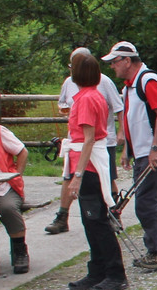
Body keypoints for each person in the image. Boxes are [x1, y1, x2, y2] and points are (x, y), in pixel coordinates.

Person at [101, 40, 157, 271]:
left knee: (145, 202)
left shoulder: (147, 81)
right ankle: (156, 249)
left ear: (127, 60)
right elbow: (131, 120)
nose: (112, 66)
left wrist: (155, 148)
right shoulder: (130, 87)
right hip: (143, 152)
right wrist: (127, 150)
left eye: (114, 62)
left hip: (153, 152)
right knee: (145, 202)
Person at [64, 51, 128, 290]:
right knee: (91, 220)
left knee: (97, 221)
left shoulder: (87, 100)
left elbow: (89, 139)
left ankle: (115, 273)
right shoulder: (89, 96)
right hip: (87, 163)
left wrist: (77, 176)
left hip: (89, 166)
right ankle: (97, 270)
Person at [50, 47, 124, 235]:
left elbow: (89, 139)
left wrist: (79, 175)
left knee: (99, 193)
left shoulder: (92, 93)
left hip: (94, 148)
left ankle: (113, 213)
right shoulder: (80, 90)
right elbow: (63, 104)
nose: (70, 71)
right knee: (80, 187)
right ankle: (63, 215)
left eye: (72, 67)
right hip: (79, 146)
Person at [0, 123, 29, 274]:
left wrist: (17, 175)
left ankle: (20, 251)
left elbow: (22, 151)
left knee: (7, 207)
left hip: (4, 185)